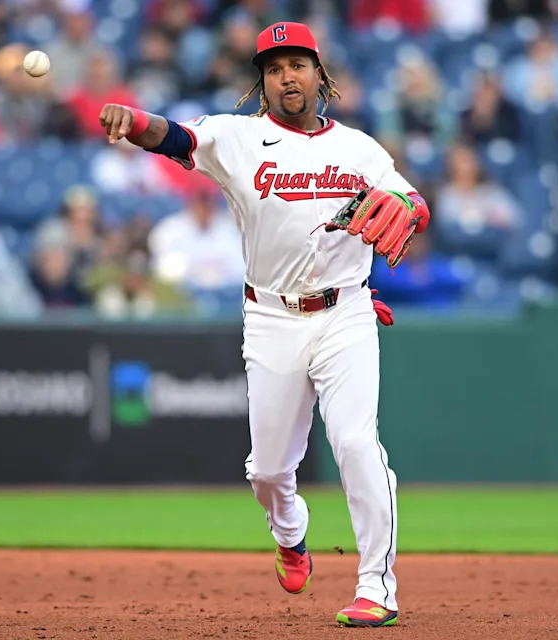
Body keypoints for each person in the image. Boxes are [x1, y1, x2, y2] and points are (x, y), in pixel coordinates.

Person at [98, 21, 432, 627]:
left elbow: (412, 203)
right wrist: (134, 119)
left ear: (319, 73)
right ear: (263, 83)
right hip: (272, 317)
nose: (287, 76)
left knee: (357, 443)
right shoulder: (238, 139)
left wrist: (409, 206)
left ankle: (376, 586)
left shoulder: (359, 149)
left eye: (298, 64)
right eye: (274, 68)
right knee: (270, 471)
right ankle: (289, 530)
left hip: (347, 312)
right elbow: (173, 136)